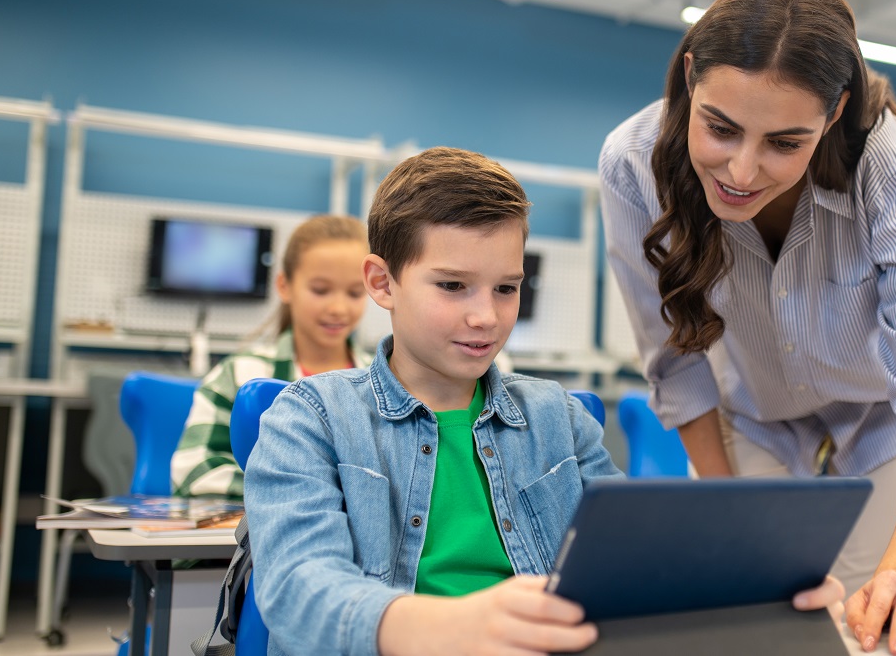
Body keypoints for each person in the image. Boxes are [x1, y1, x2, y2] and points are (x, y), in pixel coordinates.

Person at [243, 147, 846, 656]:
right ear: (383, 283)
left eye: (507, 288)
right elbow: (299, 591)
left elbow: (634, 564)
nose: (486, 316)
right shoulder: (309, 416)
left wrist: (763, 587)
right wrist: (455, 626)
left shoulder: (558, 418)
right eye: (452, 286)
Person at [599, 0, 896, 656]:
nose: (742, 172)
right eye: (720, 128)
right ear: (691, 77)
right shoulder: (633, 165)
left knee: (868, 629)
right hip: (750, 419)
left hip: (883, 424)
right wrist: (731, 525)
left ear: (833, 114)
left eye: (784, 142)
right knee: (748, 623)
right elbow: (675, 365)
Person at [171, 214, 375, 498]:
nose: (339, 308)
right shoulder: (239, 375)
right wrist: (306, 490)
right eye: (320, 290)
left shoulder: (386, 381)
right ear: (284, 286)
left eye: (355, 293)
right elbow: (193, 472)